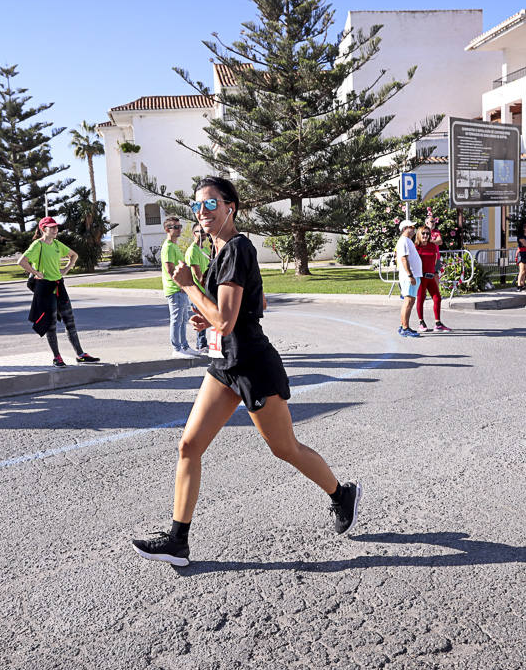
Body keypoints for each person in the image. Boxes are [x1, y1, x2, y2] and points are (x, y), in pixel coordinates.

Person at [131, 177, 361, 567]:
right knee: (189, 445)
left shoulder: (237, 247)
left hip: (253, 364)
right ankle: (177, 540)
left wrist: (189, 289)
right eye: (196, 206)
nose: (202, 213)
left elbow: (226, 318)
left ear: (229, 208)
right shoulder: (221, 251)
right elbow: (258, 302)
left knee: (284, 449)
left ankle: (341, 494)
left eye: (210, 205)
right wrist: (211, 317)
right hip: (225, 364)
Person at [19, 216, 99, 366]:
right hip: (45, 288)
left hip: (59, 286)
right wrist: (36, 273)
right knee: (51, 325)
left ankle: (81, 354)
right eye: (52, 227)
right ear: (44, 229)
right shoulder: (38, 245)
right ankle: (57, 357)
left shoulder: (57, 244)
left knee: (70, 321)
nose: (56, 230)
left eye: (56, 227)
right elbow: (21, 261)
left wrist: (66, 269)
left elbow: (74, 255)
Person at [160, 217, 196, 358]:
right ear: (167, 229)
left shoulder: (175, 246)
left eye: (179, 226)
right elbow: (170, 270)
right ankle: (177, 349)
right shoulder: (168, 246)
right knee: (176, 319)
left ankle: (184, 346)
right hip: (175, 290)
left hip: (181, 289)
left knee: (183, 318)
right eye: (175, 227)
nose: (178, 229)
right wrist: (180, 285)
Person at [414, 225, 450, 332]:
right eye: (423, 233)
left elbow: (434, 260)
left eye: (427, 233)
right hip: (420, 277)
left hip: (430, 276)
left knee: (437, 298)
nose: (425, 235)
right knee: (421, 298)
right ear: (419, 234)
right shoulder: (416, 247)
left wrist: (433, 272)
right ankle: (421, 322)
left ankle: (438, 323)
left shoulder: (432, 246)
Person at [187, 224, 212, 351]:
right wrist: (206, 287)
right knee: (200, 317)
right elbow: (197, 274)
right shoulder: (193, 250)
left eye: (205, 232)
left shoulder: (206, 250)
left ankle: (204, 343)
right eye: (200, 231)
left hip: (207, 290)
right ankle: (201, 345)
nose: (203, 234)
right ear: (193, 233)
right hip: (199, 291)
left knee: (208, 317)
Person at [395, 220, 422, 337]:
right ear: (405, 228)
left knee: (410, 301)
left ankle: (404, 325)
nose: (414, 229)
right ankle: (405, 328)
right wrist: (410, 275)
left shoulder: (407, 241)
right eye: (412, 226)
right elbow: (404, 259)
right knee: (408, 301)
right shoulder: (404, 241)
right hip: (409, 277)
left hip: (413, 275)